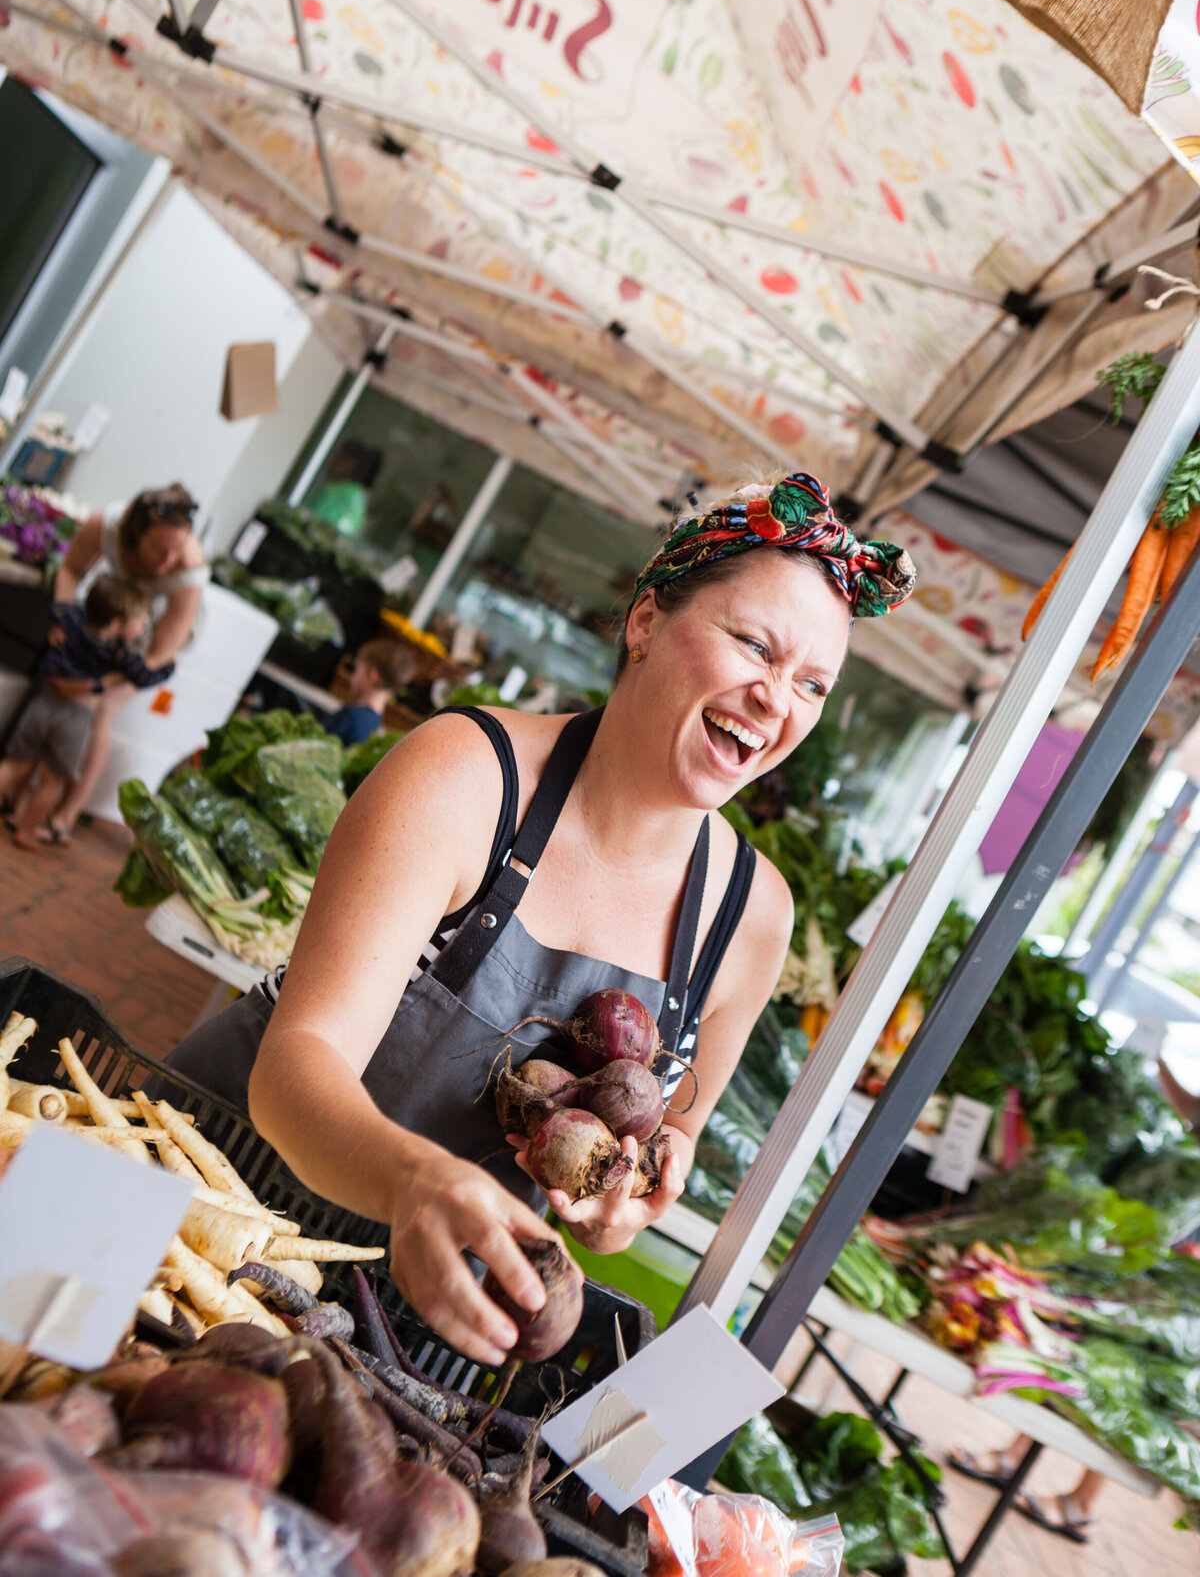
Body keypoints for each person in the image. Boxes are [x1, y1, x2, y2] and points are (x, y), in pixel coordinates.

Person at [165, 472, 915, 1364]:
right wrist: (415, 1181)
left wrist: (625, 1197)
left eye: (813, 685)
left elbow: (666, 1137)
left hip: (411, 1327)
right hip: (196, 1216)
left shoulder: (749, 918)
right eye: (754, 645)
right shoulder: (469, 778)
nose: (776, 698)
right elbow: (295, 1065)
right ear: (644, 623)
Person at [948, 1056, 1200, 1543]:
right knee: (1088, 1349)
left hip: (1186, 1261)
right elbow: (1195, 1110)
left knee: (1133, 1380)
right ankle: (1016, 1452)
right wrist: (1161, 1060)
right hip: (1167, 1230)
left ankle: (1082, 1502)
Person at [50, 485, 208, 839]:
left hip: (156, 641)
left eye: (177, 552)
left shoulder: (189, 570)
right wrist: (64, 619)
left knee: (101, 706)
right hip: (115, 617)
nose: (169, 562)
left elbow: (156, 657)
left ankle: (64, 816)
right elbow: (71, 569)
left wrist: (94, 684)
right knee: (56, 680)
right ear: (135, 534)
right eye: (160, 551)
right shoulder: (104, 525)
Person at [0, 576, 174, 851]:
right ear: (116, 624)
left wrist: (56, 625)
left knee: (14, 764)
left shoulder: (70, 623)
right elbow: (144, 676)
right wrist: (168, 665)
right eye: (141, 621)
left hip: (43, 701)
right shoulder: (118, 654)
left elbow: (58, 608)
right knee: (53, 780)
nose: (143, 628)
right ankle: (26, 831)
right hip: (74, 717)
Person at [323, 638, 417, 747]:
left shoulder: (351, 715)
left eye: (357, 669)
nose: (353, 675)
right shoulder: (375, 721)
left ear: (372, 676)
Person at [308, 441, 382, 539]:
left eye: (338, 458)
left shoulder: (335, 492)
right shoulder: (360, 498)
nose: (331, 461)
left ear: (349, 464)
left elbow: (308, 525)